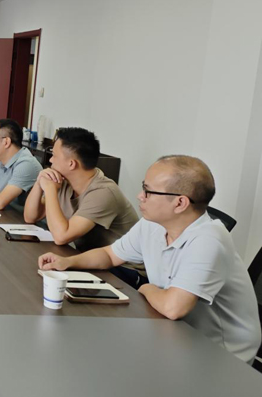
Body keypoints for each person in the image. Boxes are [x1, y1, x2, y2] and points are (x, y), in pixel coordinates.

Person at [38, 155, 261, 364]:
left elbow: (173, 307)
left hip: (220, 354)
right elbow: (109, 255)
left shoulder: (209, 240)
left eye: (148, 191)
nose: (140, 196)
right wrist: (67, 262)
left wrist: (146, 288)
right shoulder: (153, 224)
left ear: (180, 203)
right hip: (174, 332)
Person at [24, 127, 139, 250]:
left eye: (54, 156)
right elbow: (30, 217)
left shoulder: (103, 192)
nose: (51, 160)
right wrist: (39, 184)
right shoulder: (64, 181)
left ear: (71, 164)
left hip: (119, 262)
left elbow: (61, 237)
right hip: (88, 257)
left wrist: (49, 189)